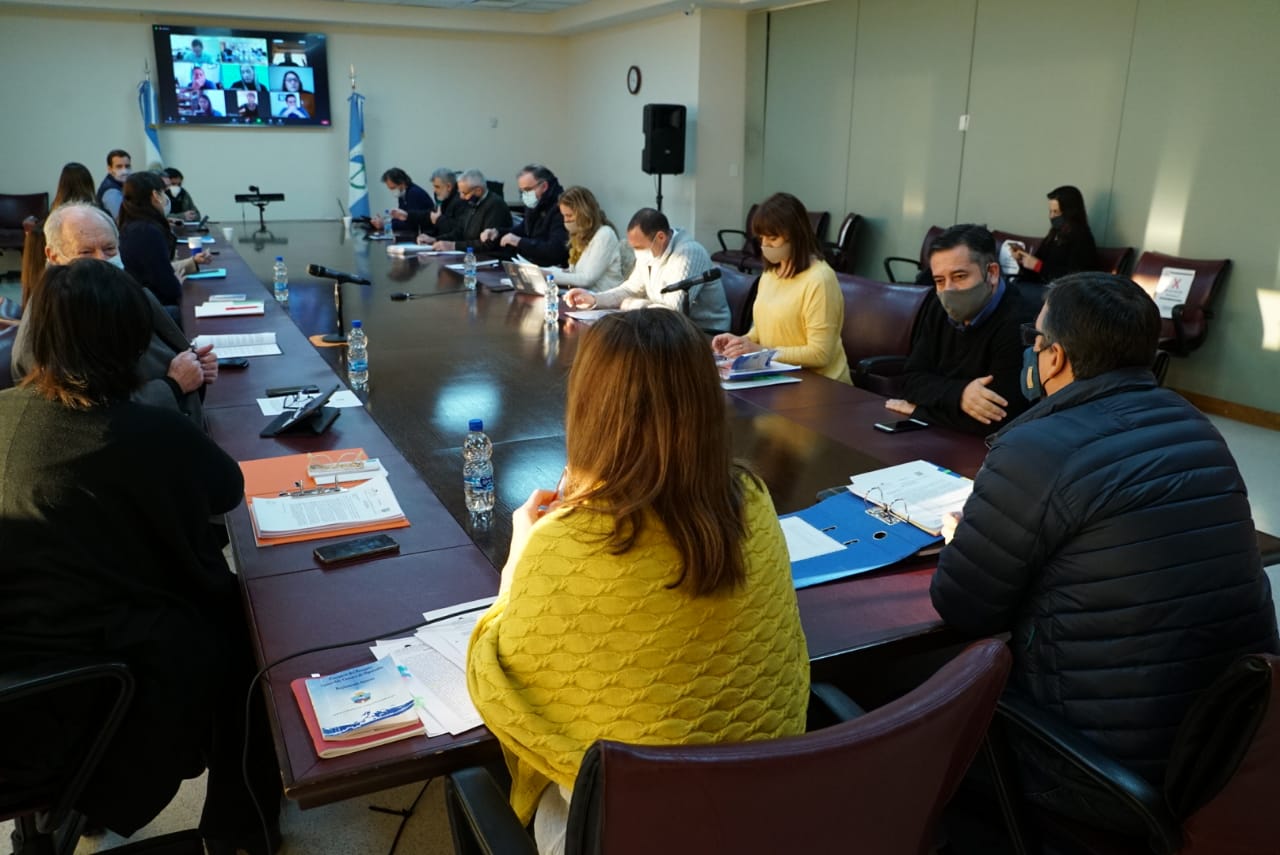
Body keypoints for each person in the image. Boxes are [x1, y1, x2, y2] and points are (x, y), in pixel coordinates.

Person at [931, 272, 1278, 834]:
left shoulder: (1033, 447)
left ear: (1055, 358)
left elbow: (963, 608)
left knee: (900, 694)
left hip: (1095, 768)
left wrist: (971, 535)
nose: (1031, 349)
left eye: (1035, 338)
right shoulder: (1195, 425)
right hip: (1222, 745)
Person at [467, 308, 810, 855]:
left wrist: (519, 560)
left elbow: (502, 671)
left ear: (590, 408)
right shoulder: (753, 501)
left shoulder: (564, 542)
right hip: (759, 809)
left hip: (626, 832)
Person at [0, 259, 281, 855]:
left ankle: (83, 802)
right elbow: (227, 492)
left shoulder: (4, 412)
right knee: (246, 630)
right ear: (133, 341)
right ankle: (241, 828)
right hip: (92, 688)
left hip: (18, 674)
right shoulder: (145, 430)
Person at [13, 203, 214, 427]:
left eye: (110, 249)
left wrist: (196, 365)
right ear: (53, 255)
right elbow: (76, 416)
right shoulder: (48, 321)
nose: (103, 260)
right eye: (86, 252)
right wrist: (173, 385)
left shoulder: (123, 290)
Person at [885, 223, 1034, 435]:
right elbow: (911, 381)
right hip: (938, 438)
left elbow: (997, 418)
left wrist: (920, 410)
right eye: (939, 280)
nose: (948, 290)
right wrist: (961, 394)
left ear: (991, 273)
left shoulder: (1019, 321)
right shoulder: (937, 306)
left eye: (960, 277)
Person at [712, 192, 850, 382]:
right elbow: (761, 332)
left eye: (773, 238)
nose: (765, 245)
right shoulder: (770, 274)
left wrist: (762, 352)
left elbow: (820, 354)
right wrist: (741, 342)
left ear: (796, 236)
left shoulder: (820, 279)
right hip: (779, 377)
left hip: (820, 385)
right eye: (761, 238)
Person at [563, 208, 730, 334]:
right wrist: (594, 299)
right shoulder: (650, 255)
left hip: (705, 333)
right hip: (667, 329)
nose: (637, 253)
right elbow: (630, 288)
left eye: (639, 247)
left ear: (661, 237)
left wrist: (631, 304)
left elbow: (673, 313)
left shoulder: (688, 254)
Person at [118, 172, 203, 314]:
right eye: (164, 192)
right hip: (152, 310)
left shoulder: (132, 224)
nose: (166, 197)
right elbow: (170, 288)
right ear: (155, 196)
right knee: (192, 310)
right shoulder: (147, 231)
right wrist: (176, 282)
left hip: (143, 304)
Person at [539, 185, 627, 292]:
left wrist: (548, 275)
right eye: (564, 216)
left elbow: (587, 279)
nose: (565, 220)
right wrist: (540, 271)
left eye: (569, 215)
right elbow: (574, 273)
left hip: (604, 299)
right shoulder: (580, 236)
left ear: (584, 213)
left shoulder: (605, 234)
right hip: (584, 296)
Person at [482, 164, 569, 266]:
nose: (525, 195)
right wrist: (497, 233)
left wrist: (519, 242)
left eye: (528, 190)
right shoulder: (535, 203)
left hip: (551, 268)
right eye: (522, 191)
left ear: (544, 186)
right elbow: (523, 230)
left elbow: (555, 250)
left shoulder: (561, 208)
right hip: (530, 263)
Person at [1010, 185, 1098, 283]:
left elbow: (1074, 279)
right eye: (1050, 211)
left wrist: (1039, 266)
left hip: (1059, 294)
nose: (1051, 216)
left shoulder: (1082, 238)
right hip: (1040, 287)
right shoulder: (1054, 234)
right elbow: (1036, 271)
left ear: (1070, 212)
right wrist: (1023, 260)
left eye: (1056, 212)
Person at [417, 169, 512, 252]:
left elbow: (487, 244)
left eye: (464, 193)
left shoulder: (495, 205)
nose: (461, 197)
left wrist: (453, 246)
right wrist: (435, 239)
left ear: (478, 190)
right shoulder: (472, 202)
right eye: (460, 192)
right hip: (471, 256)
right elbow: (460, 232)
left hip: (491, 260)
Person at [370, 167, 433, 233]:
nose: (392, 191)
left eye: (393, 188)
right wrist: (385, 220)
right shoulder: (402, 194)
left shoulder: (414, 193)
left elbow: (411, 224)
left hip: (426, 235)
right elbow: (401, 218)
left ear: (402, 182)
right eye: (390, 189)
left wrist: (385, 224)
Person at [96, 149, 130, 219]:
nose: (124, 171)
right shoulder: (111, 191)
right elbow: (120, 220)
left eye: (127, 166)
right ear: (110, 169)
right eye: (119, 167)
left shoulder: (123, 184)